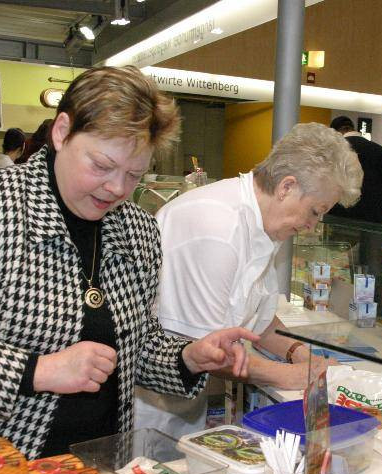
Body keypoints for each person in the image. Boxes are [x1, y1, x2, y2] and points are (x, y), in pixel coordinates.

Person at [0, 66, 257, 474]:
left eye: (134, 174)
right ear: (61, 132)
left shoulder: (137, 229)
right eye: (102, 165)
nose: (117, 188)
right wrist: (38, 371)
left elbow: (134, 343)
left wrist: (188, 357)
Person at [134, 122, 363, 438]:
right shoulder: (218, 227)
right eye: (314, 211)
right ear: (286, 187)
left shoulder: (263, 223)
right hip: (151, 409)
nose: (313, 225)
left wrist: (297, 351)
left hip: (186, 404)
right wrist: (293, 375)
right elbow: (212, 355)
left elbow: (257, 318)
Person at [327, 115, 382, 312]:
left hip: (339, 225)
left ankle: (338, 313)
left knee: (340, 273)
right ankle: (374, 318)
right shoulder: (379, 151)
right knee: (372, 277)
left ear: (335, 133)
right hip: (374, 228)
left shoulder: (335, 152)